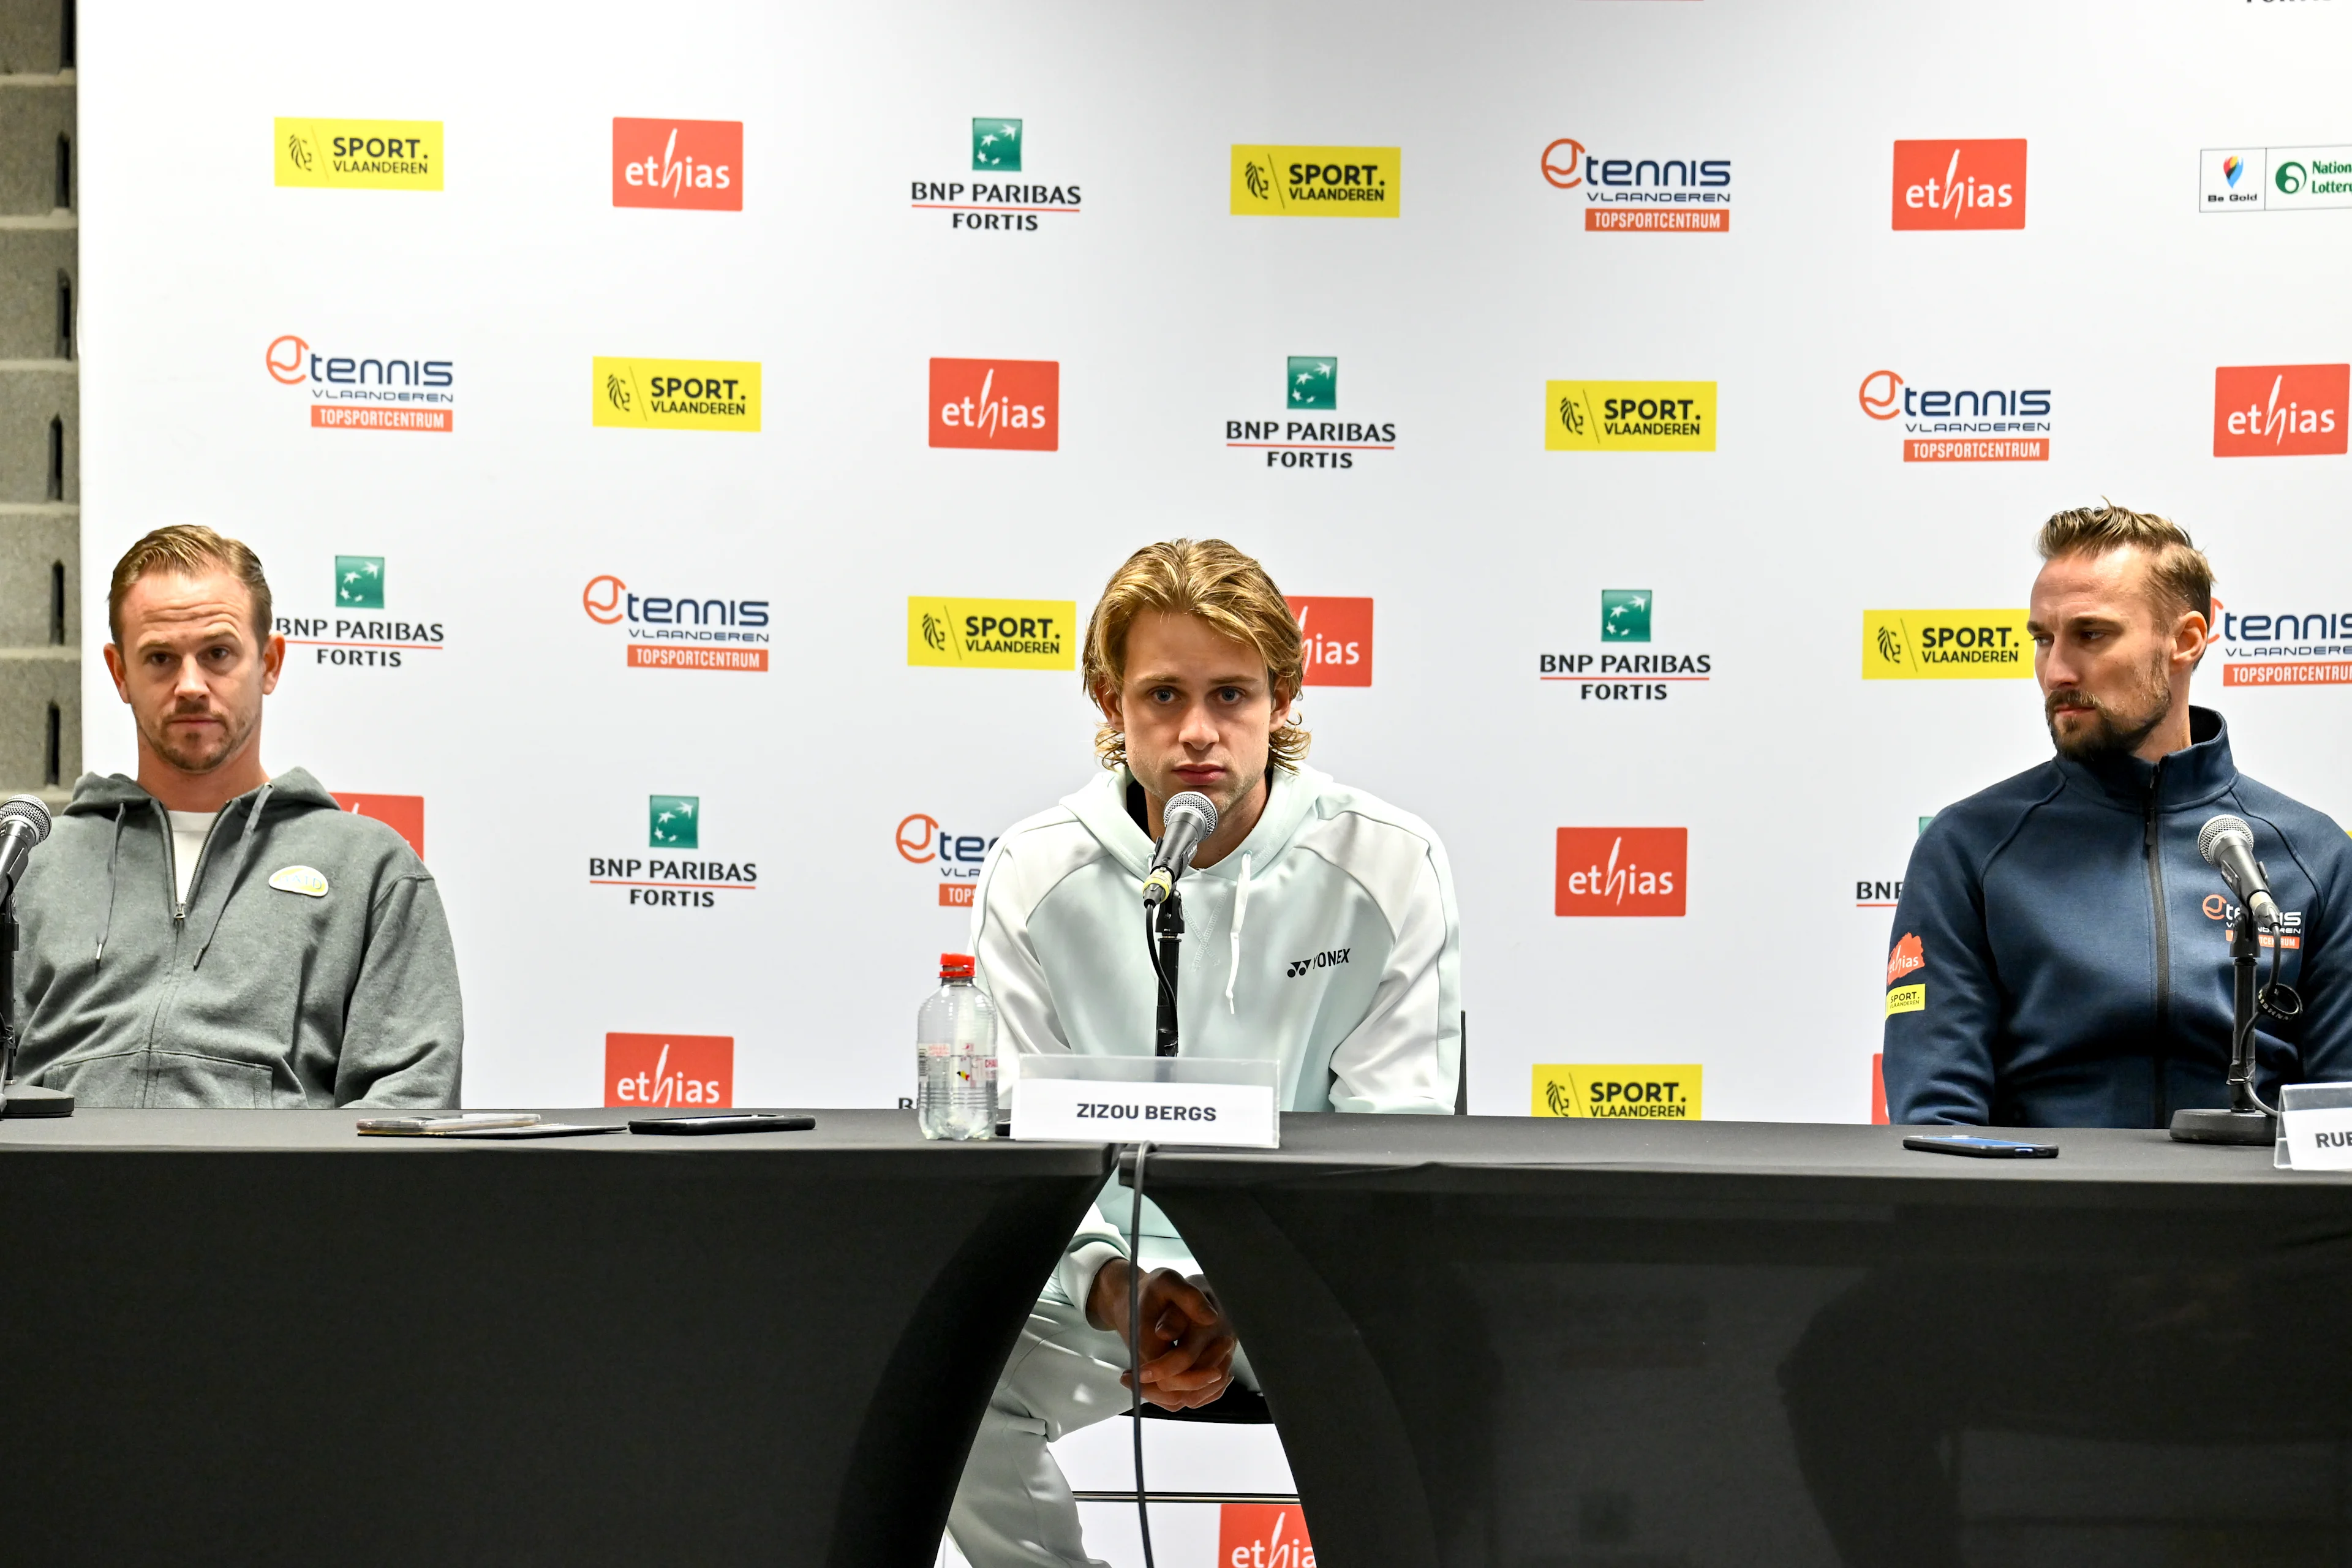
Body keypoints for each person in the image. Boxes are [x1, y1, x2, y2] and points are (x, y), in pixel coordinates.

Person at [953, 538, 1462, 1568]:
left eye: (1231, 695)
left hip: (1318, 1290)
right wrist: (1114, 1286)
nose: (1197, 733)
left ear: (1281, 699)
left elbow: (1392, 1149)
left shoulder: (1387, 860)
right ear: (1109, 704)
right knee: (950, 1389)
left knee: (1469, 1388)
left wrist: (1248, 1294)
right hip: (1107, 1294)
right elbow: (1018, 1154)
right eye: (1162, 696)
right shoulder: (1033, 872)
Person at [1884, 504, 2352, 1126]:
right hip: (2044, 1215)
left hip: (2256, 1218)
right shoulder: (1969, 847)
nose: (2057, 672)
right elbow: (1939, 1120)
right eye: (2043, 640)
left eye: (2092, 635)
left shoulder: (2313, 852)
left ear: (2187, 639)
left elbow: (2340, 1122)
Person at [7, 524, 462, 1107]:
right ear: (120, 674)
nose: (191, 685)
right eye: (161, 659)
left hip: (276, 1195)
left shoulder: (369, 868)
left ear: (269, 663)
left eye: (218, 654)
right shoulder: (32, 865)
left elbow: (410, 1102)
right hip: (56, 1192)